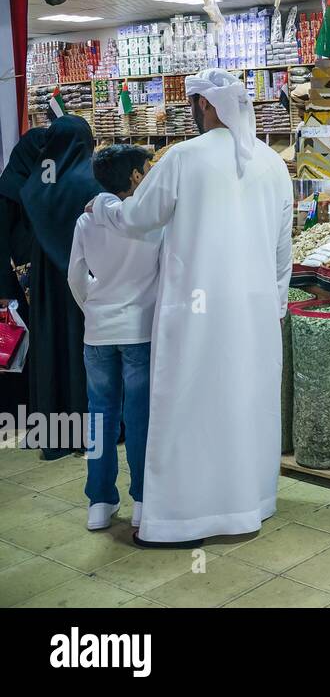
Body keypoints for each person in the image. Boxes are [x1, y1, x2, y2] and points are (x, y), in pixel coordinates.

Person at [88, 69, 293, 546]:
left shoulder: (184, 157)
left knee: (190, 405)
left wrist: (102, 209)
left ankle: (184, 517)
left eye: (194, 104)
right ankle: (248, 503)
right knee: (244, 404)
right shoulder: (272, 163)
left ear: (206, 106)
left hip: (197, 313)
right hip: (254, 311)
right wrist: (275, 304)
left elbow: (138, 218)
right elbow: (284, 249)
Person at [68, 145, 161, 532]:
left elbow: (76, 275)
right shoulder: (153, 222)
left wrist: (92, 307)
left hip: (98, 332)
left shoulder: (86, 221)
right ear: (136, 178)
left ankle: (99, 503)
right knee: (140, 418)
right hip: (139, 330)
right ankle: (142, 500)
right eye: (146, 168)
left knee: (100, 416)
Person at [17, 116, 102, 458]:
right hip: (84, 280)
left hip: (47, 284)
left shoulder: (36, 183)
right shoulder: (91, 181)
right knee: (83, 350)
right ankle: (88, 428)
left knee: (51, 346)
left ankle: (52, 431)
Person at [0, 125, 48, 420]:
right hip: (11, 285)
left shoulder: (30, 184)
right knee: (14, 345)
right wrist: (4, 293)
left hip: (27, 278)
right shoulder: (7, 190)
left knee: (28, 346)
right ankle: (15, 410)